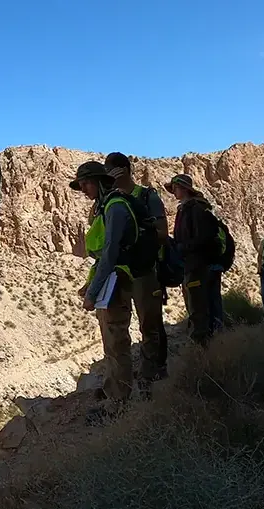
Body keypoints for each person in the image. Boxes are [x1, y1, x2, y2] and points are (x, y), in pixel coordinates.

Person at [71, 161, 154, 424]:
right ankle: (112, 389)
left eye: (85, 183)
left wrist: (92, 292)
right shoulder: (107, 206)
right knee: (110, 337)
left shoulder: (116, 206)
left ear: (99, 180)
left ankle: (120, 404)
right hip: (111, 279)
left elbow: (110, 254)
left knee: (116, 339)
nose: (83, 189)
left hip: (116, 280)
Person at [104, 152, 169, 387]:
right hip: (120, 274)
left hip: (144, 272)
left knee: (149, 325)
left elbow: (163, 234)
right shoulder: (111, 200)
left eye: (112, 171)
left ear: (123, 170)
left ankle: (151, 378)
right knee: (117, 333)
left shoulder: (146, 196)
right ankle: (123, 386)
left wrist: (139, 232)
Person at [164, 174, 221, 347]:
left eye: (175, 187)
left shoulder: (194, 209)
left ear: (184, 189)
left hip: (196, 265)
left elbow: (202, 237)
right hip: (190, 265)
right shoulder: (186, 209)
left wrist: (183, 248)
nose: (173, 191)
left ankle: (202, 349)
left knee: (198, 307)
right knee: (196, 305)